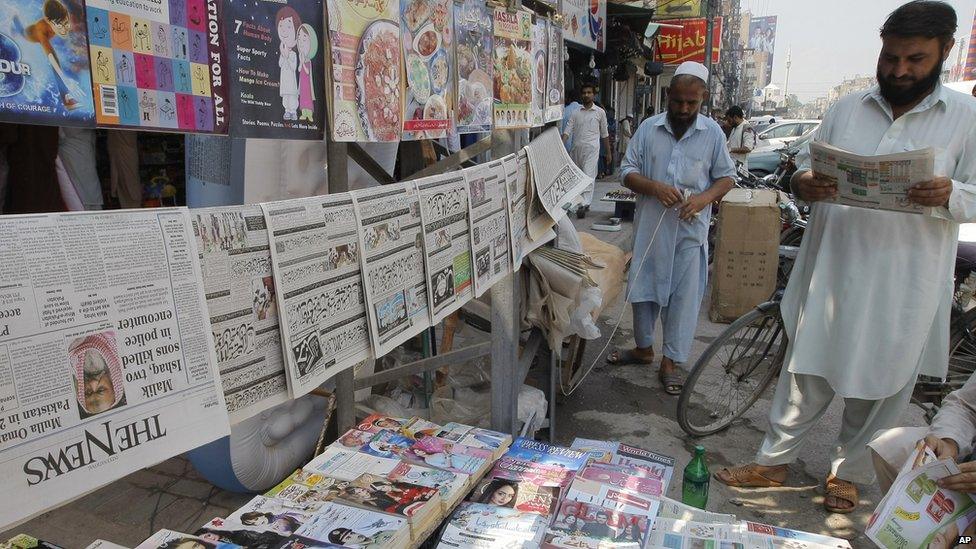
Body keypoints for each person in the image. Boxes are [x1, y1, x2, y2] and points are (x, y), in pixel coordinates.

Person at [715, 0, 976, 514]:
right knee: (803, 372)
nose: (899, 71)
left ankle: (849, 474)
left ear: (945, 52)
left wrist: (949, 194)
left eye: (914, 60)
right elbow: (804, 169)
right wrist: (806, 181)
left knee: (883, 383)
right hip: (831, 268)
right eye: (890, 58)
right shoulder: (847, 108)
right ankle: (773, 459)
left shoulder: (965, 118)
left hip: (905, 281)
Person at [607, 61, 735, 395]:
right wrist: (655, 187)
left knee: (684, 298)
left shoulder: (712, 134)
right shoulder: (649, 128)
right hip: (651, 229)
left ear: (703, 99)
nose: (683, 109)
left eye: (691, 103)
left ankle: (671, 361)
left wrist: (704, 198)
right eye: (677, 101)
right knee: (644, 291)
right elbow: (627, 171)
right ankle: (644, 349)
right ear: (668, 96)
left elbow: (727, 177)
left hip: (689, 234)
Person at [562, 83, 611, 218]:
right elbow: (567, 131)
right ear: (581, 95)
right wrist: (561, 145)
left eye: (589, 92)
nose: (586, 95)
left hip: (592, 150)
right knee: (577, 179)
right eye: (584, 93)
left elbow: (604, 134)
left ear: (593, 95)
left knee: (589, 176)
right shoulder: (575, 112)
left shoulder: (600, 112)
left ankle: (584, 205)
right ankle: (578, 203)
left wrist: (608, 152)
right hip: (576, 150)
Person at [725, 106, 756, 171]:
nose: (728, 122)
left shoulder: (746, 128)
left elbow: (747, 148)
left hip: (740, 168)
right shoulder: (735, 127)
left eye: (729, 120)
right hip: (731, 165)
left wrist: (731, 149)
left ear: (735, 117)